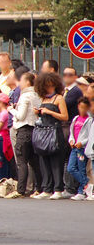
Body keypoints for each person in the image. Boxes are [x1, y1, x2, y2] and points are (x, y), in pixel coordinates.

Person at [33, 72, 68, 199]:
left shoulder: (58, 98)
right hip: (43, 131)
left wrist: (49, 112)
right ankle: (46, 188)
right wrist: (38, 113)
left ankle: (58, 188)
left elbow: (65, 116)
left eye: (51, 85)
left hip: (54, 130)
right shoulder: (43, 99)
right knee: (44, 160)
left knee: (55, 161)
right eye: (47, 86)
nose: (49, 88)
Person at [7, 72, 42, 197]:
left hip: (23, 130)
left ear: (27, 82)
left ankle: (20, 189)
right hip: (35, 130)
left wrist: (11, 110)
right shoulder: (37, 96)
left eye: (21, 80)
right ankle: (40, 188)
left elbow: (21, 116)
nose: (19, 83)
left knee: (21, 161)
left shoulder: (25, 96)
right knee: (34, 161)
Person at [61, 67, 82, 198]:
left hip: (72, 127)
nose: (67, 77)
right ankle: (69, 186)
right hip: (68, 126)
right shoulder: (66, 90)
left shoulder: (75, 91)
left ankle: (73, 187)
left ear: (75, 76)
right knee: (67, 159)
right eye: (65, 74)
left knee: (71, 159)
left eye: (70, 74)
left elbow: (64, 104)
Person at [67, 97, 91, 200]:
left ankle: (81, 191)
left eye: (84, 108)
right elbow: (71, 132)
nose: (82, 110)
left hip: (82, 148)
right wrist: (71, 140)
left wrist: (82, 142)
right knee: (71, 167)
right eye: (81, 107)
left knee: (81, 169)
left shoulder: (89, 120)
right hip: (75, 147)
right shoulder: (76, 118)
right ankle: (87, 184)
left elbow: (90, 135)